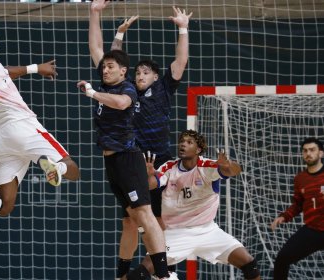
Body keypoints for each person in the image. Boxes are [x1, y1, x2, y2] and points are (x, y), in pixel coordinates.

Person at [91, 3, 192, 278]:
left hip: (158, 161)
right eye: (137, 72)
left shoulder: (162, 87)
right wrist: (119, 34)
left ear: (156, 76)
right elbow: (111, 63)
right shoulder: (126, 89)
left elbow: (179, 62)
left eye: (145, 72)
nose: (140, 75)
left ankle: (163, 271)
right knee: (129, 221)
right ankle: (125, 273)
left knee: (155, 219)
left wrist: (183, 29)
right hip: (132, 156)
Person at [0, 30, 80, 217]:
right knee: (72, 169)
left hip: (2, 139)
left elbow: (9, 71)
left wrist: (36, 68)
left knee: (3, 207)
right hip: (24, 126)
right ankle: (56, 167)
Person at [127, 129, 261, 280]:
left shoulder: (207, 167)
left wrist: (228, 165)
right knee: (143, 271)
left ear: (198, 149)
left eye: (189, 142)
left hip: (208, 231)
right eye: (182, 141)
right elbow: (150, 185)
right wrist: (149, 175)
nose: (183, 144)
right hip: (175, 233)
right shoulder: (169, 168)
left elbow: (234, 171)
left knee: (249, 263)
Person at [270, 137, 324, 279]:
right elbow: (298, 204)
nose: (308, 153)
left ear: (321, 153)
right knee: (282, 259)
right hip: (312, 230)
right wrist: (284, 216)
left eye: (312, 150)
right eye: (305, 150)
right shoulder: (300, 179)